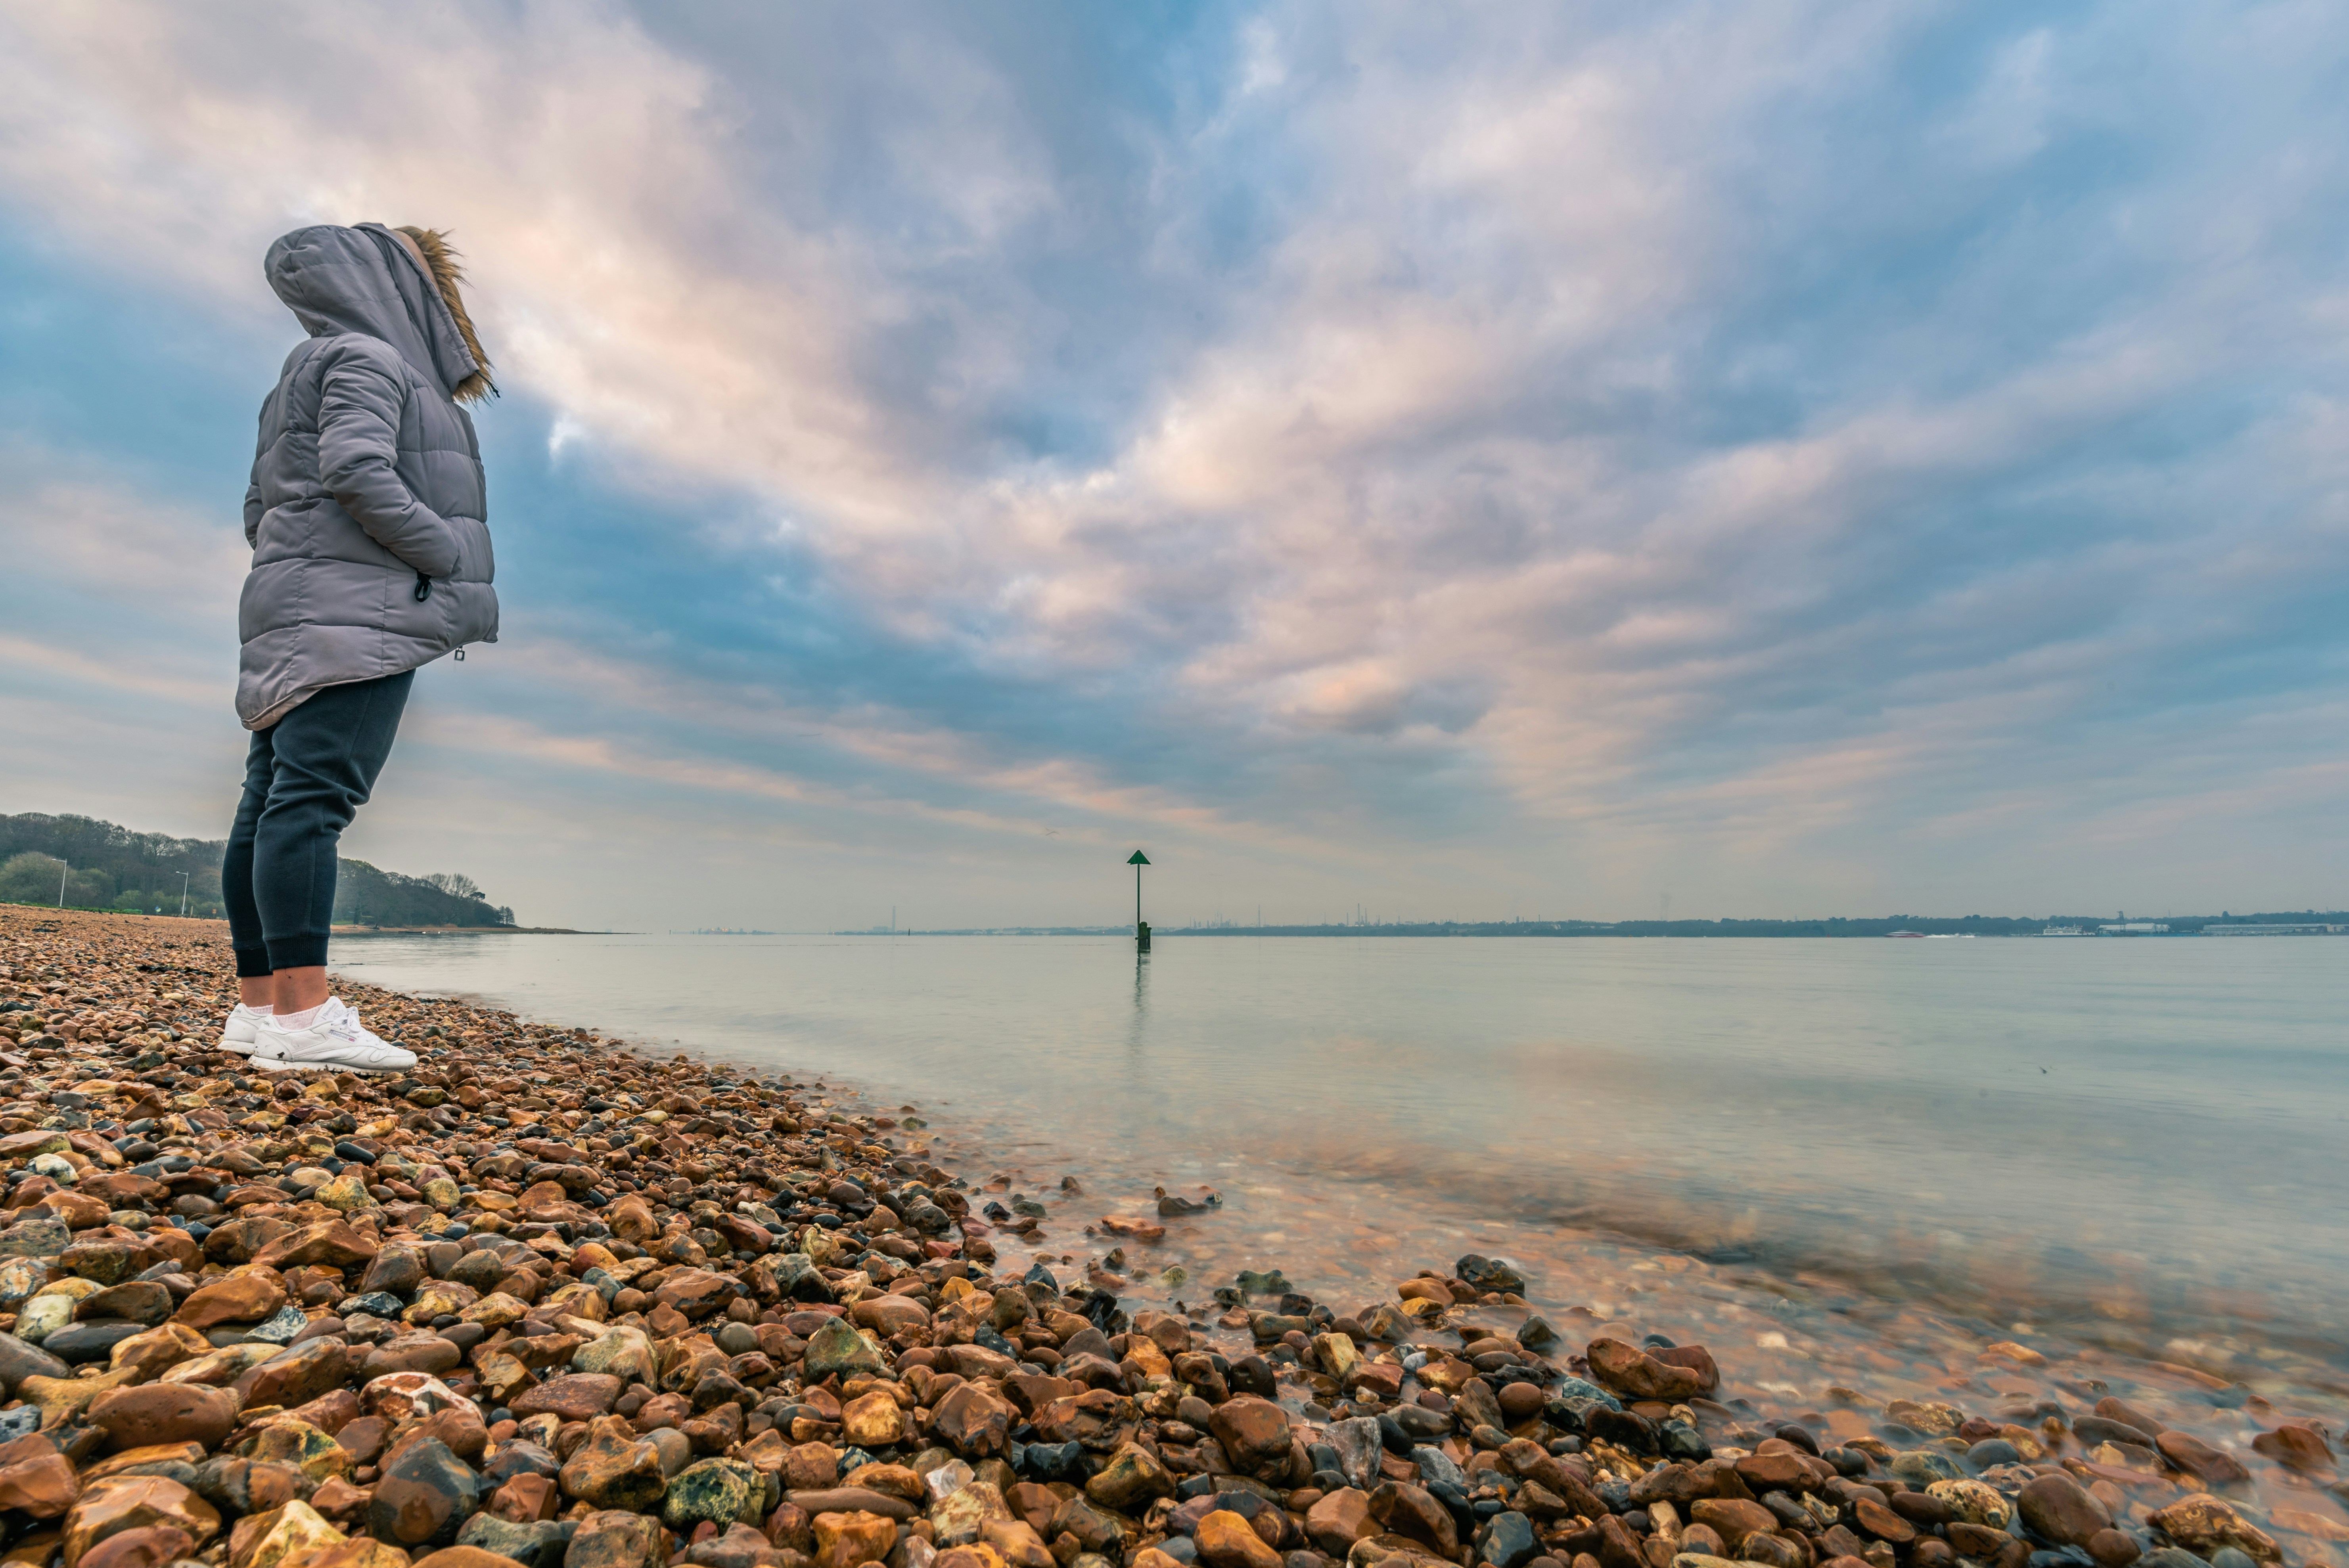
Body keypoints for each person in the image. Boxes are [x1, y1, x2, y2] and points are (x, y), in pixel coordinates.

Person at [217, 223, 499, 1073]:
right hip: (357, 615)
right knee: (312, 802)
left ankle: (259, 1010)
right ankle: (304, 1021)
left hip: (300, 605)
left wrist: (305, 569)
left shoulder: (304, 368)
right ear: (398, 286)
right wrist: (441, 554)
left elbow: (257, 512)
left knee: (271, 800)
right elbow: (356, 468)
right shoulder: (372, 360)